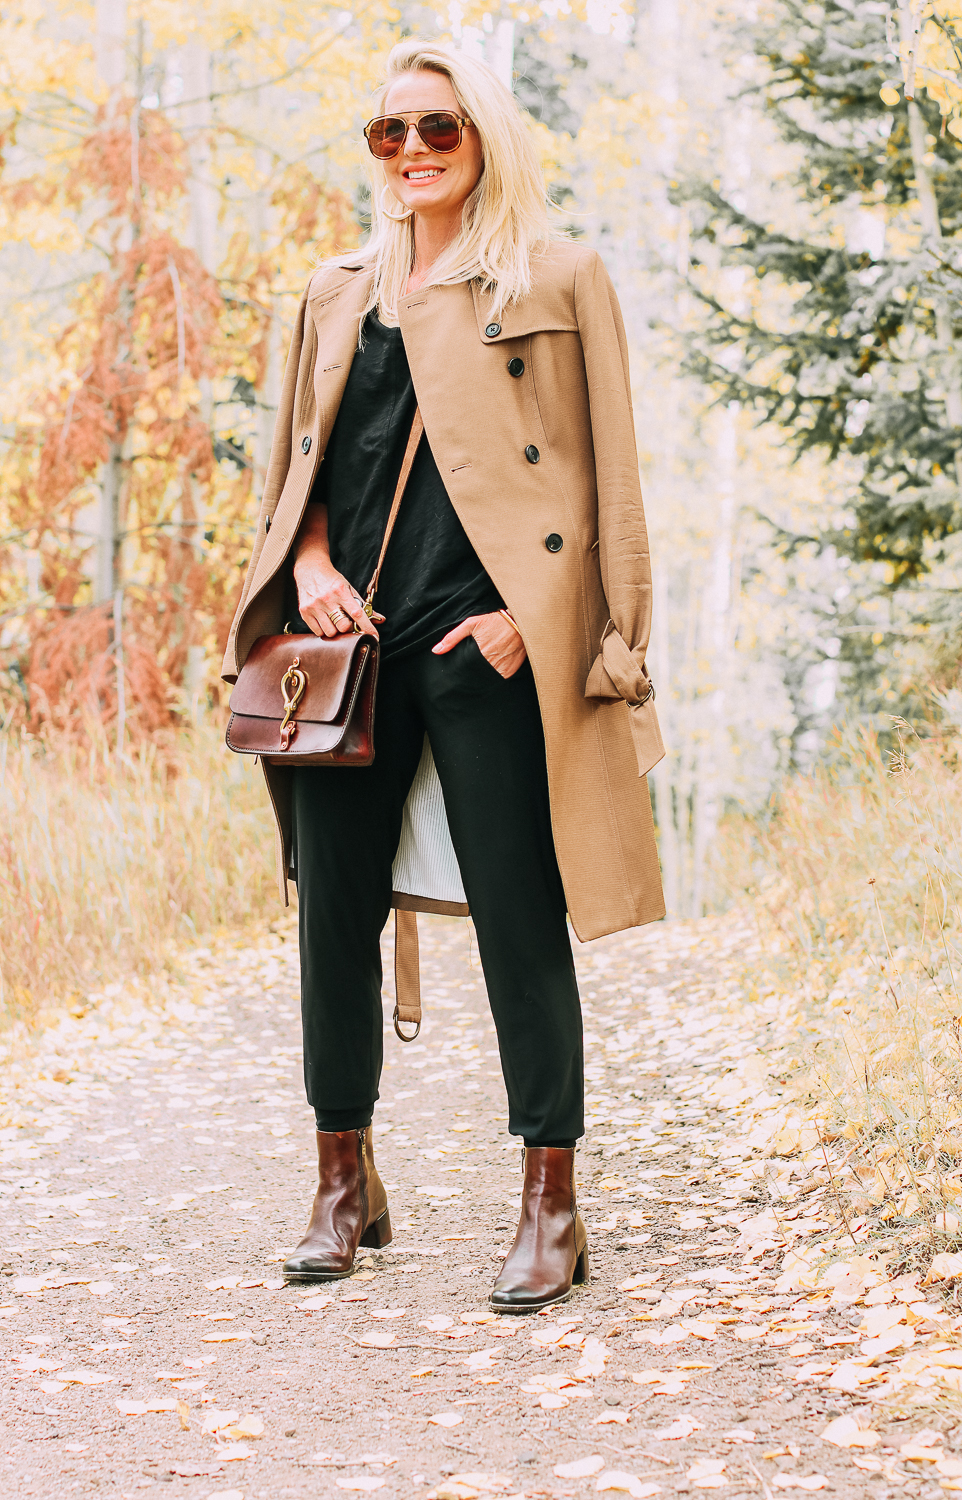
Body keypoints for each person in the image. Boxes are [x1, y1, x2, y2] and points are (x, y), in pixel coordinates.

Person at [222, 38, 665, 1313]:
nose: (410, 154)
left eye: (436, 131)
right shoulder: (335, 290)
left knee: (521, 915)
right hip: (345, 648)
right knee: (331, 919)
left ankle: (551, 1198)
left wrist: (552, 621)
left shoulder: (557, 278)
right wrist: (306, 563)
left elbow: (605, 479)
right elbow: (298, 471)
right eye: (388, 134)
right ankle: (341, 1181)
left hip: (484, 638)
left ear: (484, 140)